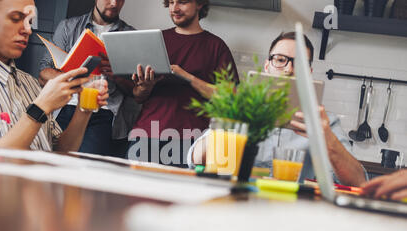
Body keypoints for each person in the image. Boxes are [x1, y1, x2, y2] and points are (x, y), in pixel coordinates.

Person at [189, 32, 367, 187]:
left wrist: (328, 140)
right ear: (267, 66)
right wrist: (229, 125)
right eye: (280, 60)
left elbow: (359, 181)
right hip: (236, 202)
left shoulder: (324, 122)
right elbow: (194, 159)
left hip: (294, 211)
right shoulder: (240, 110)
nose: (289, 69)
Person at [0, 0, 108, 151]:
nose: (28, 30)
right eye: (16, 18)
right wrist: (40, 108)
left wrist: (83, 110)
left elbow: (61, 150)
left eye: (30, 21)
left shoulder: (29, 83)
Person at [128, 0, 238, 167]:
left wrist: (186, 76)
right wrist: (144, 87)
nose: (175, 8)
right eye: (171, 2)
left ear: (199, 4)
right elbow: (137, 97)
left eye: (182, 2)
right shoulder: (156, 40)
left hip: (192, 141)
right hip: (146, 133)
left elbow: (230, 99)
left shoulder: (216, 46)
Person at [39, 0, 139, 158]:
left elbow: (135, 91)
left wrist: (116, 73)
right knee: (52, 161)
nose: (114, 3)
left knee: (86, 166)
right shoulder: (68, 27)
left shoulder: (131, 36)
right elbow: (43, 74)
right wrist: (72, 79)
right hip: (65, 107)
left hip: (104, 111)